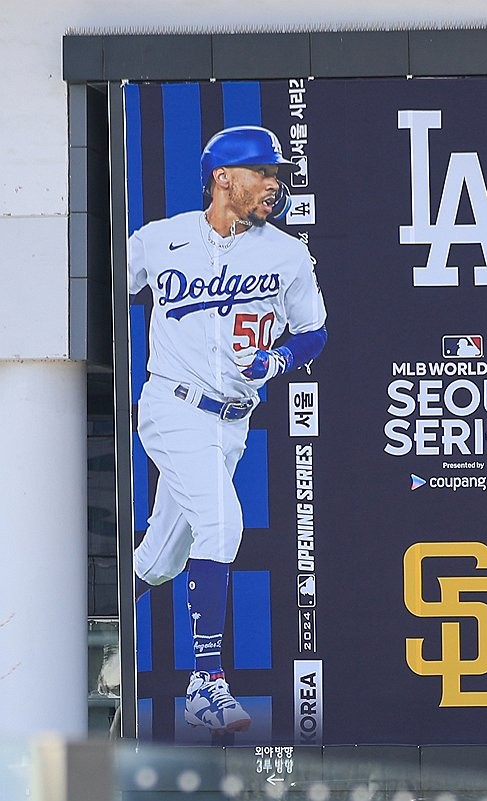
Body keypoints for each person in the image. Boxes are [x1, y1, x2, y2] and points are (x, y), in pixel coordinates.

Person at [128, 125, 328, 734]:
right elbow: (93, 291)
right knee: (222, 521)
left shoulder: (286, 253)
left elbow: (314, 331)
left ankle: (88, 615)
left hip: (232, 421)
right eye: (262, 173)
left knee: (161, 560)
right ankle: (205, 682)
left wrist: (281, 360)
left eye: (277, 174)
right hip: (173, 406)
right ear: (224, 178)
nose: (274, 183)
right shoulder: (157, 242)